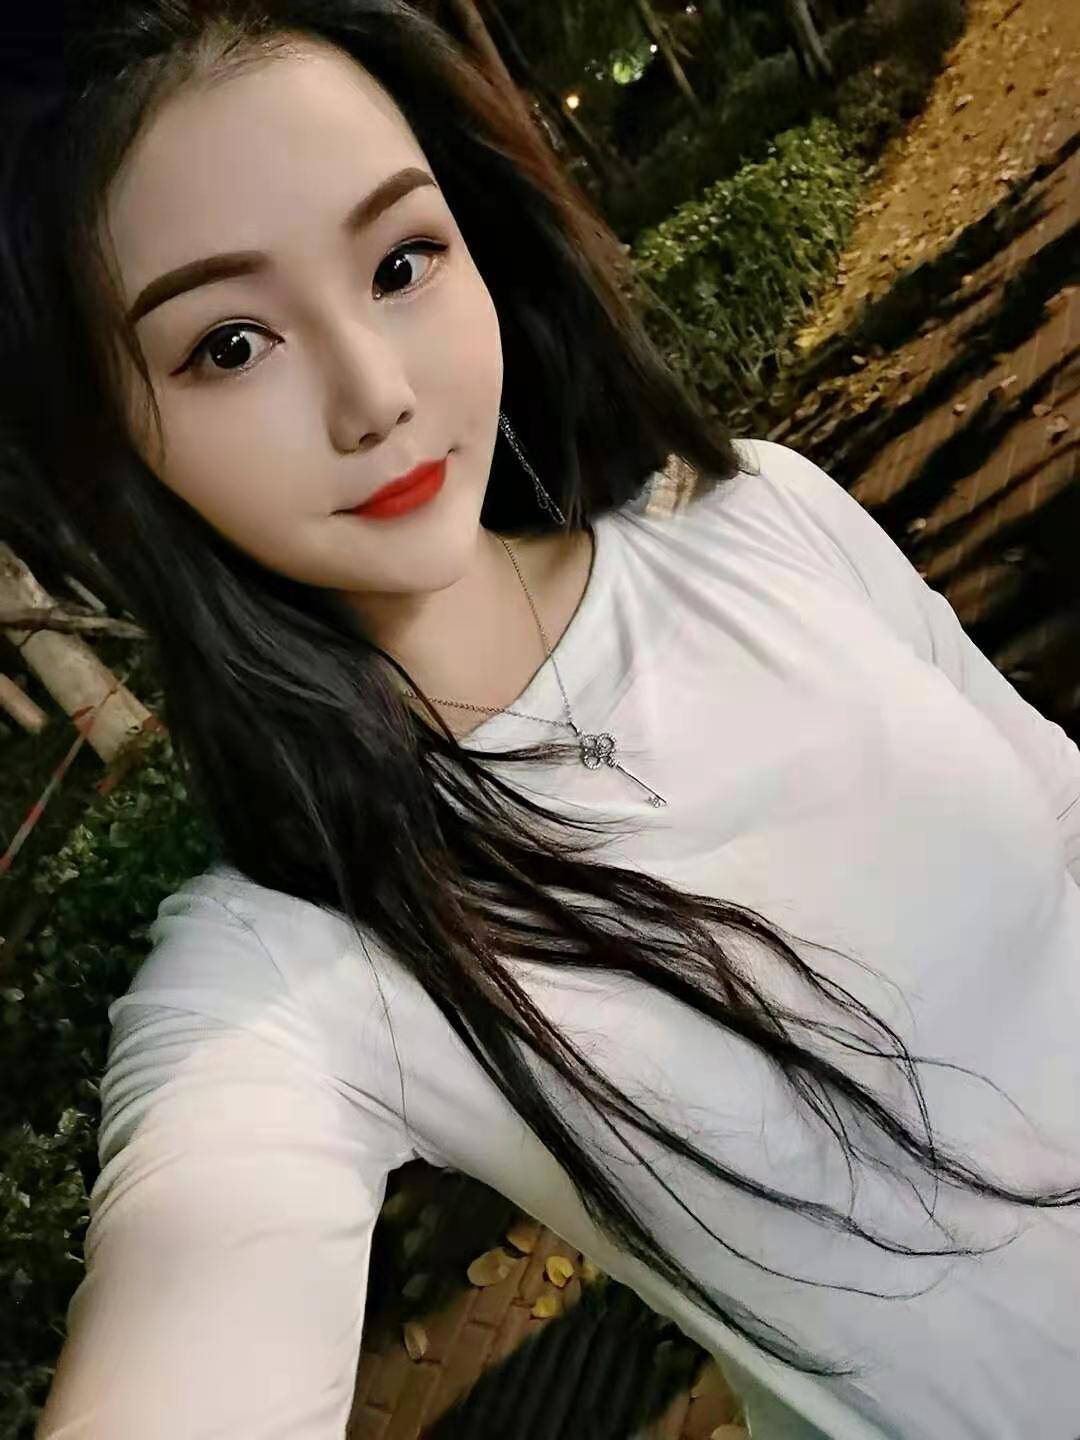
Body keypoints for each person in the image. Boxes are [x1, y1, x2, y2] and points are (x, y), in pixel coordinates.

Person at [4, 4, 1078, 1437]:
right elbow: (195, 1282)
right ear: (120, 448)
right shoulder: (302, 968)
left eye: (401, 263)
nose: (375, 397)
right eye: (231, 344)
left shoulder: (766, 518)